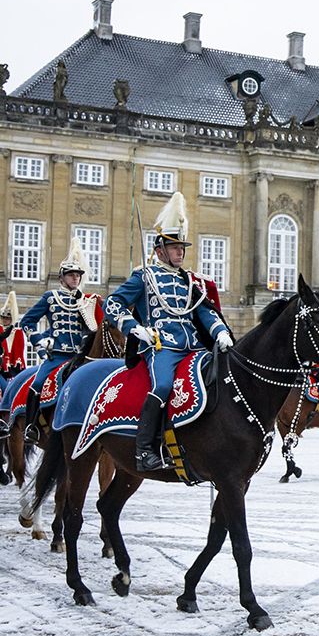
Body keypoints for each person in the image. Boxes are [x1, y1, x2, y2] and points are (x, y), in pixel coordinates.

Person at [105, 194, 232, 472]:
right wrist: (134, 328)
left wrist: (221, 331)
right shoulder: (144, 276)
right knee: (162, 387)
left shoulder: (189, 280)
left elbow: (204, 311)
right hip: (162, 348)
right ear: (160, 249)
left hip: (194, 348)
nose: (180, 252)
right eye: (174, 247)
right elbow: (112, 305)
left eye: (182, 247)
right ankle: (145, 449)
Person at [18, 240, 99, 440]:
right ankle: (31, 427)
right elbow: (27, 322)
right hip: (56, 356)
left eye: (78, 275)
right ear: (62, 278)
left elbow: (94, 329)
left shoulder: (85, 302)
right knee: (36, 385)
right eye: (71, 275)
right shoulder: (50, 297)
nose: (75, 278)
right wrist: (39, 341)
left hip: (79, 357)